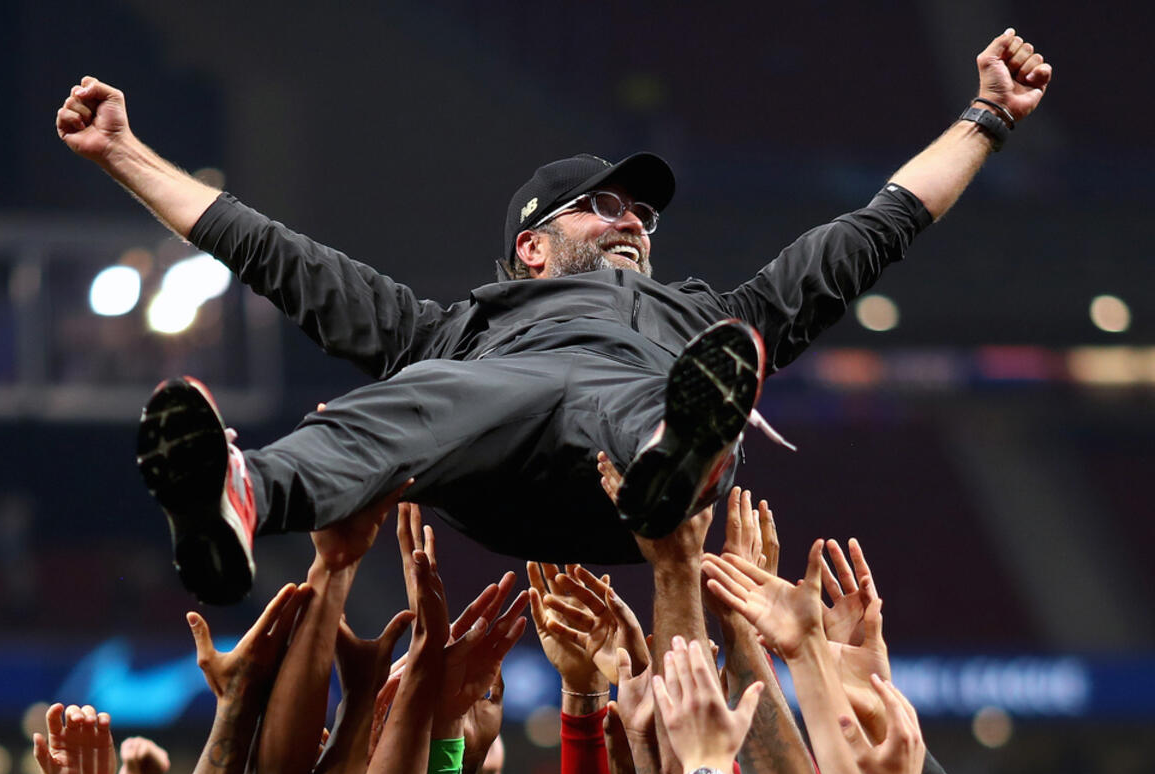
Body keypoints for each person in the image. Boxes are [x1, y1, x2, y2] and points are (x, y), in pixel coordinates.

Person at [56, 29, 1051, 604]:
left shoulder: (696, 313)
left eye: (643, 213)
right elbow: (280, 258)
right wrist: (122, 153)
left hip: (635, 462)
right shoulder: (453, 328)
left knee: (696, 370)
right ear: (531, 246)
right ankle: (240, 499)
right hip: (494, 441)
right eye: (604, 205)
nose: (633, 220)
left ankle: (676, 453)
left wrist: (988, 118)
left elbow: (870, 232)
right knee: (412, 395)